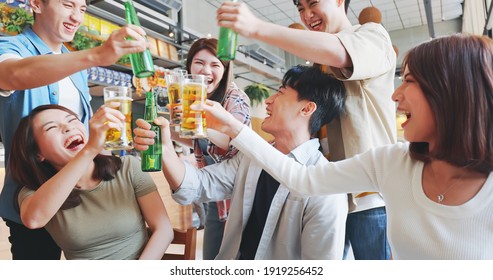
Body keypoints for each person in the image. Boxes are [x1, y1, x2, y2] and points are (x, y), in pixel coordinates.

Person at [197, 34, 493, 259]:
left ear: (452, 91)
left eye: (410, 81)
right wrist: (233, 128)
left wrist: (256, 28)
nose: (395, 96)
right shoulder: (392, 162)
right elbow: (303, 180)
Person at [217, 0, 396, 259]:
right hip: (329, 192)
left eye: (313, 3)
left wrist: (256, 28)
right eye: (300, 8)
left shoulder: (371, 35)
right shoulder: (318, 66)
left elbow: (341, 53)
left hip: (367, 198)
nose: (307, 15)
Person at [135, 65, 348, 259]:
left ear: (306, 109)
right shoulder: (251, 160)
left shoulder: (326, 186)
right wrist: (163, 147)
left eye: (281, 93)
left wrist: (229, 126)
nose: (268, 100)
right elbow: (197, 185)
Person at [0, 0, 150, 259]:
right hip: (34, 198)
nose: (77, 17)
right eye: (68, 5)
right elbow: (12, 74)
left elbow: (84, 136)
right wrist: (96, 55)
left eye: (82, 9)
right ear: (36, 4)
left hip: (81, 199)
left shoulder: (77, 69)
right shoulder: (10, 48)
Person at [9, 104, 173, 259]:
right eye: (51, 127)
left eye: (72, 120)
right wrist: (90, 150)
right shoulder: (35, 193)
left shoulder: (128, 167)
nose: (68, 127)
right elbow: (34, 219)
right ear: (38, 154)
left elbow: (164, 229)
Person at [172, 38, 251, 260]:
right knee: (212, 258)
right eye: (199, 63)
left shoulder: (235, 98)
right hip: (215, 195)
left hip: (238, 196)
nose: (206, 70)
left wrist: (197, 121)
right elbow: (200, 143)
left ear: (225, 71)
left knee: (232, 258)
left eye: (215, 65)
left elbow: (234, 141)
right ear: (189, 67)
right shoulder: (199, 99)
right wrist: (170, 127)